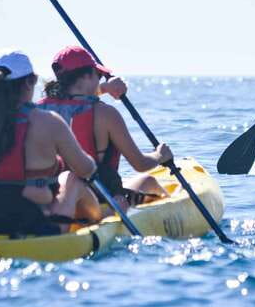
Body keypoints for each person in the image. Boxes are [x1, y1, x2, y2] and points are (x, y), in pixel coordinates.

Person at [0, 49, 102, 236]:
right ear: (30, 81)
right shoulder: (48, 121)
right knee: (72, 180)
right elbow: (86, 169)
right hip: (26, 225)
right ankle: (105, 218)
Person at [38, 46, 172, 210]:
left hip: (52, 195)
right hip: (102, 199)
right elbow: (140, 164)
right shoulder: (106, 114)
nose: (100, 80)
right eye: (99, 75)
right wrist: (160, 155)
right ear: (87, 76)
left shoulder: (39, 110)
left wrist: (104, 89)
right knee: (148, 181)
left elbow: (74, 101)